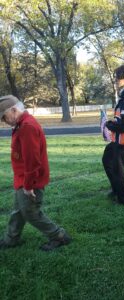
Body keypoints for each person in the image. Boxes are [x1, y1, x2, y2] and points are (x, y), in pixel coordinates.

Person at [0, 95, 71, 251]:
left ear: (13, 110)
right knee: (19, 210)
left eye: (4, 118)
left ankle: (59, 236)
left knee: (30, 212)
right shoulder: (21, 124)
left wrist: (28, 186)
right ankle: (11, 238)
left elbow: (32, 161)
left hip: (30, 181)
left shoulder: (27, 127)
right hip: (22, 179)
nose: (4, 122)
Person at [102, 64, 124, 205]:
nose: (116, 80)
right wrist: (112, 123)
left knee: (118, 168)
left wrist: (111, 126)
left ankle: (123, 199)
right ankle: (116, 190)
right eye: (115, 77)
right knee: (107, 159)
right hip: (119, 137)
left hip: (123, 138)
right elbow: (123, 117)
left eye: (118, 78)